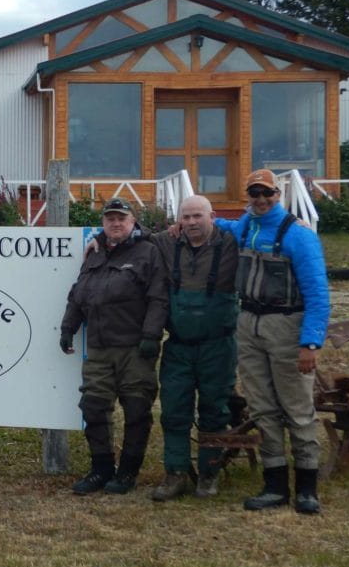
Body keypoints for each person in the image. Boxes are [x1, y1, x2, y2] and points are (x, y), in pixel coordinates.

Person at [216, 169, 330, 514]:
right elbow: (226, 227)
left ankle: (307, 489)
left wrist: (310, 343)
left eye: (266, 194)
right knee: (263, 407)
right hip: (248, 324)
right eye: (254, 194)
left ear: (278, 195)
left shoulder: (300, 236)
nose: (261, 200)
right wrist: (200, 220)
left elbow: (318, 294)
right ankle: (275, 484)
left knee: (297, 409)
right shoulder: (247, 226)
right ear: (247, 196)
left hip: (287, 325)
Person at [60, 197, 169, 495]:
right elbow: (78, 294)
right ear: (104, 223)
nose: (116, 223)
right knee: (93, 407)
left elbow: (159, 297)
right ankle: (101, 469)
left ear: (133, 221)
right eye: (110, 219)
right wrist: (68, 328)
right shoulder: (94, 253)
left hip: (134, 347)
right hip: (98, 347)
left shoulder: (148, 252)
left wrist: (151, 336)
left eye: (121, 218)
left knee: (136, 408)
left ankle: (128, 473)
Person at [149, 195, 239, 501]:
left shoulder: (231, 242)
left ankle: (209, 474)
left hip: (219, 346)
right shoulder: (166, 242)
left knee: (215, 410)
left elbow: (263, 230)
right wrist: (96, 240)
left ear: (212, 216)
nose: (191, 223)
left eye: (197, 216)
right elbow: (126, 234)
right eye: (185, 217)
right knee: (174, 411)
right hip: (179, 346)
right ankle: (175, 474)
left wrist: (303, 226)